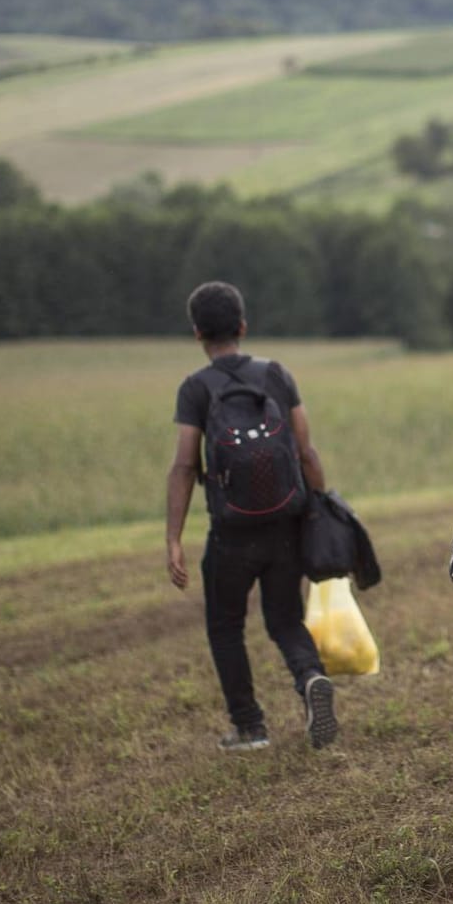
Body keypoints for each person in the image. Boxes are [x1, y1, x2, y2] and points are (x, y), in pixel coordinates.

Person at [165, 281, 339, 752]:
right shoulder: (277, 375)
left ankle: (249, 727)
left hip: (231, 533)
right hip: (286, 523)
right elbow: (305, 450)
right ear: (243, 326)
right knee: (284, 618)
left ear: (197, 333)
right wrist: (321, 508)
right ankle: (309, 679)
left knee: (225, 626)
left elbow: (184, 464)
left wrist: (174, 539)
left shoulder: (196, 388)